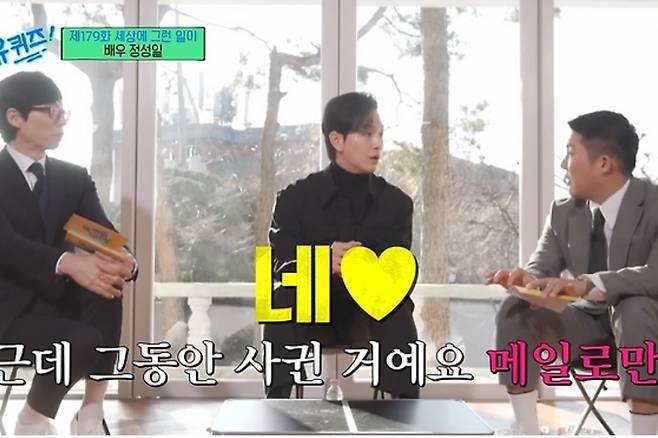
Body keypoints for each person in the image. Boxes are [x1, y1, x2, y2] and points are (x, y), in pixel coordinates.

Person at [488, 110, 658, 435]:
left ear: (604, 163)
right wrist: (528, 281)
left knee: (634, 307)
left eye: (570, 153)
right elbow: (542, 266)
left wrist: (586, 285)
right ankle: (525, 428)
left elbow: (655, 275)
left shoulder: (654, 205)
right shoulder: (563, 212)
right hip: (587, 329)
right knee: (516, 309)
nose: (564, 165)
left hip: (648, 332)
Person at [0, 71, 137, 435]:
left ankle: (90, 413)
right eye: (52, 111)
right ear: (15, 117)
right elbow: (6, 245)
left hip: (55, 303)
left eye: (64, 112)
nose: (62, 120)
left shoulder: (71, 179)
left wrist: (124, 259)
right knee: (81, 339)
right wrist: (67, 262)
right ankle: (32, 417)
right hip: (7, 310)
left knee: (108, 287)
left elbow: (99, 234)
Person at [263, 92, 419, 399]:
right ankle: (276, 405)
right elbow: (276, 264)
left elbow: (401, 271)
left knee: (398, 307)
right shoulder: (294, 198)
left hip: (370, 311)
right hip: (310, 310)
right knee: (280, 299)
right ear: (337, 140)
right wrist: (321, 260)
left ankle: (406, 408)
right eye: (367, 133)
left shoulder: (397, 203)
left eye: (380, 134)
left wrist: (363, 268)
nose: (377, 143)